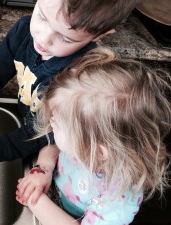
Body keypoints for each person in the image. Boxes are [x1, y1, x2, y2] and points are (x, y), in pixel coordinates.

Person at [0, 0, 139, 181]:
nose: (44, 39)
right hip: (32, 123)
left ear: (99, 34)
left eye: (66, 38)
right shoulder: (23, 32)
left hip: (53, 136)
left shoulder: (81, 76)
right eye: (43, 17)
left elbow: (43, 131)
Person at [15, 47, 171, 225]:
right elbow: (54, 143)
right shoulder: (86, 140)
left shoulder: (117, 201)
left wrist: (36, 202)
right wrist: (45, 166)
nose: (50, 124)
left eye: (56, 123)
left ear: (99, 152)